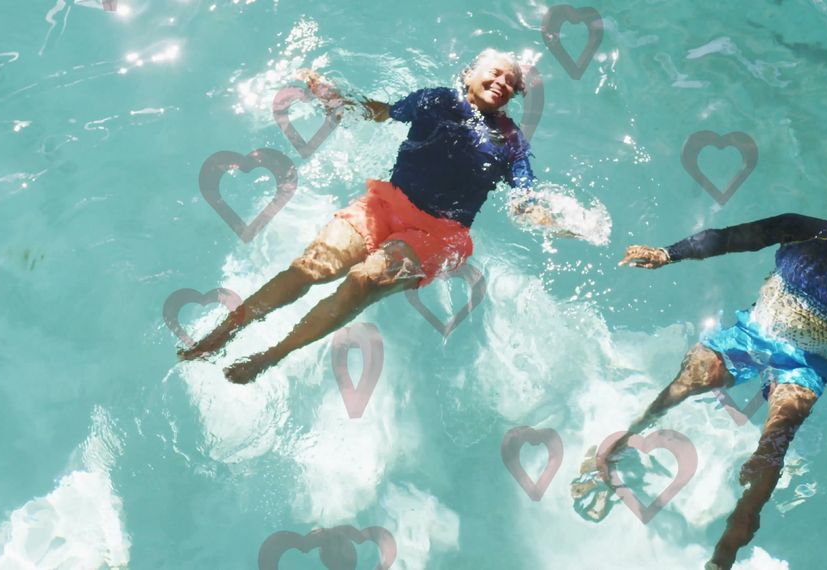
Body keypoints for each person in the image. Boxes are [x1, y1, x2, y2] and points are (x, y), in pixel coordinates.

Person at [178, 49, 563, 383]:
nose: (501, 81)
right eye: (494, 72)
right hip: (386, 204)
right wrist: (335, 97)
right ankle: (226, 330)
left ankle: (273, 354)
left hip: (437, 234)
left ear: (514, 94)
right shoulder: (433, 100)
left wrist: (551, 219)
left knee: (364, 279)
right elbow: (380, 112)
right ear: (469, 75)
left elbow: (526, 196)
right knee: (310, 268)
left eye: (510, 81)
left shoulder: (511, 142)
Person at [581, 195, 827, 569]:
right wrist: (668, 253)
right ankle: (613, 451)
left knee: (774, 446)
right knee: (686, 381)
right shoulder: (802, 229)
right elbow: (731, 238)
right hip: (750, 335)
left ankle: (724, 555)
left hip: (803, 364)